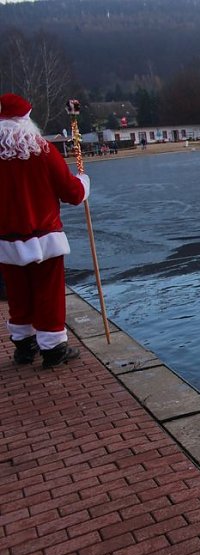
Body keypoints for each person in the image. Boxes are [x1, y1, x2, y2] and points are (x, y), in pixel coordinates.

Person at [0, 93, 90, 368]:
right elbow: (72, 194)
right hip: (44, 235)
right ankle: (52, 348)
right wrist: (84, 182)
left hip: (6, 239)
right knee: (48, 292)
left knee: (18, 293)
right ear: (26, 121)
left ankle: (24, 346)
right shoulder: (42, 150)